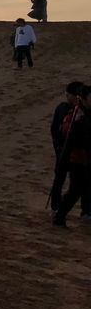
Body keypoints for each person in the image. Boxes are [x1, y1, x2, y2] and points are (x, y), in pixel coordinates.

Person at [53, 85, 91, 228]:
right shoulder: (77, 115)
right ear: (83, 99)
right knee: (76, 189)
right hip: (77, 158)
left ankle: (84, 212)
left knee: (84, 187)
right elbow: (69, 137)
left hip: (85, 158)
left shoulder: (85, 114)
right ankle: (59, 215)